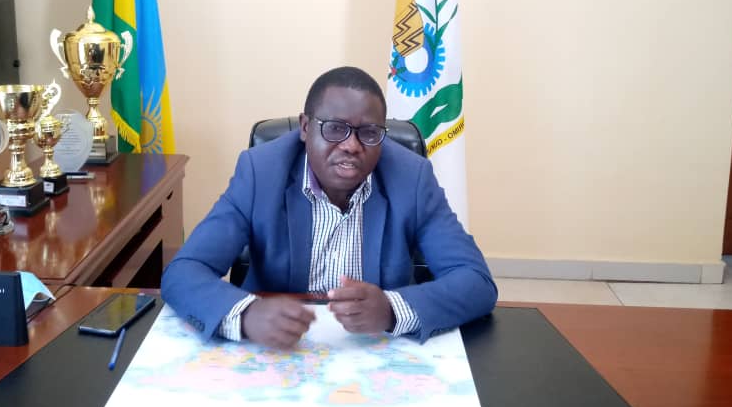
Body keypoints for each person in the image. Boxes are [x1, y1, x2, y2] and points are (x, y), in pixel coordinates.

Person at [160, 66, 497, 348]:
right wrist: (246, 314)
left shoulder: (411, 178)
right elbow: (184, 271)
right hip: (276, 354)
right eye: (335, 128)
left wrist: (392, 310)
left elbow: (476, 281)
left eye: (368, 133)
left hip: (371, 354)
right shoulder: (260, 172)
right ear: (306, 128)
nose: (351, 145)